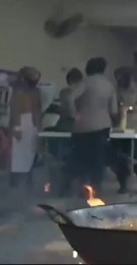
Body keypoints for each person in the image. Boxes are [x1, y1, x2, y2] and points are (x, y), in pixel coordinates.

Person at [67, 57, 118, 194]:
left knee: (81, 158)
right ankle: (96, 189)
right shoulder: (109, 85)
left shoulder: (85, 83)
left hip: (82, 126)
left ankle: (81, 188)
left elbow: (70, 97)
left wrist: (74, 114)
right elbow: (114, 110)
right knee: (98, 160)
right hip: (102, 126)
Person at [110, 66, 137, 194]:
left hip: (133, 124)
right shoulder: (117, 89)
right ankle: (123, 184)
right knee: (118, 157)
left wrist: (130, 108)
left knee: (136, 155)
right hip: (119, 125)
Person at [9, 66, 42, 189]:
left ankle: (26, 186)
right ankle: (16, 186)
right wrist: (17, 128)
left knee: (29, 157)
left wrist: (39, 128)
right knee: (18, 159)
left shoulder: (35, 92)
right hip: (23, 123)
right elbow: (16, 111)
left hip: (30, 124)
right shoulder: (19, 92)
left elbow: (38, 111)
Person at [55, 68, 82, 196]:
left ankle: (66, 186)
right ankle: (67, 186)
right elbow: (72, 113)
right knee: (71, 158)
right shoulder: (71, 93)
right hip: (70, 128)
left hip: (65, 127)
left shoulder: (64, 92)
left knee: (66, 158)